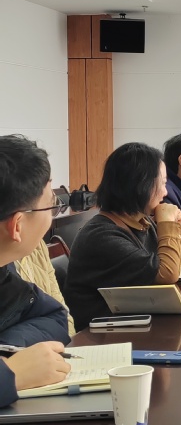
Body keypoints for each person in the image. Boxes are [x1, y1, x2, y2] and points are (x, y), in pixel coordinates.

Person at [65, 143, 181, 330]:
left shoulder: (143, 222)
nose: (166, 192)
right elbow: (167, 273)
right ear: (140, 185)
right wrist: (167, 224)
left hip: (136, 323)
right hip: (103, 335)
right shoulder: (101, 235)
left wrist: (176, 225)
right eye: (162, 183)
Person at [0, 135, 71, 407]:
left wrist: (8, 351)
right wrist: (11, 373)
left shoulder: (5, 272)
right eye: (52, 205)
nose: (52, 217)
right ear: (17, 225)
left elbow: (55, 317)